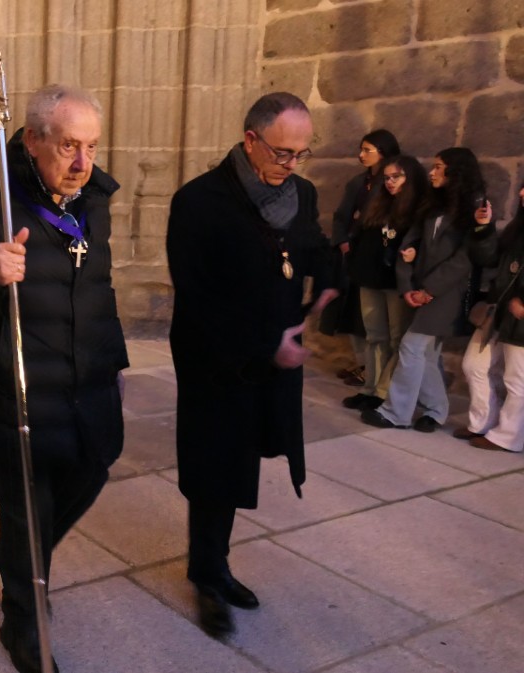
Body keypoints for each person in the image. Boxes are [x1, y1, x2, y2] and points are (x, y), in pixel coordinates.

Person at [0, 84, 129, 673]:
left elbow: (98, 284)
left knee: (94, 467)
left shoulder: (93, 196)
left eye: (91, 147)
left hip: (88, 375)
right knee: (27, 508)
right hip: (19, 380)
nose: (83, 164)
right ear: (32, 138)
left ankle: (15, 557)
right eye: (69, 146)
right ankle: (23, 624)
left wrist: (112, 361)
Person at [166, 92, 337, 639]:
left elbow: (310, 245)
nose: (292, 165)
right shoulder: (199, 201)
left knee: (242, 461)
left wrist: (330, 278)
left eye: (302, 153)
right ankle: (207, 576)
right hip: (216, 359)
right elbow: (197, 298)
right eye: (283, 152)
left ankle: (215, 564)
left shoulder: (300, 194)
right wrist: (266, 344)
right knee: (215, 467)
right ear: (250, 139)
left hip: (272, 357)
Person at [361, 148, 495, 432]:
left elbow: (465, 259)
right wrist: (407, 286)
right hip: (421, 289)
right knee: (427, 354)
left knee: (411, 347)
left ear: (456, 172)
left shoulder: (475, 207)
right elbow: (409, 245)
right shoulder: (432, 204)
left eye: (438, 167)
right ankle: (436, 410)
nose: (432, 172)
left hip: (447, 293)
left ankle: (395, 413)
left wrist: (430, 290)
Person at [341, 155, 429, 411]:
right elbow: (364, 236)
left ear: (410, 178)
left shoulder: (420, 208)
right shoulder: (379, 203)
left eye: (396, 177)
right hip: (370, 277)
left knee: (397, 338)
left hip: (397, 282)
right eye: (387, 177)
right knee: (374, 336)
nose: (390, 182)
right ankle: (370, 388)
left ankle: (384, 391)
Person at [326, 130, 401, 388]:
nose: (361, 155)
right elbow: (342, 216)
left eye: (367, 150)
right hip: (354, 255)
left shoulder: (391, 185)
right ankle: (364, 364)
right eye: (361, 149)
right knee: (352, 312)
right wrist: (343, 241)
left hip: (377, 259)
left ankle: (376, 374)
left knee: (375, 321)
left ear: (383, 151)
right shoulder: (358, 182)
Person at [458, 182, 522, 452]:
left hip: (520, 316)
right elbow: (490, 259)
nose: (522, 193)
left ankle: (509, 437)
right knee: (474, 365)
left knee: (517, 380)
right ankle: (482, 422)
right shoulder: (517, 228)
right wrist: (484, 228)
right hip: (499, 309)